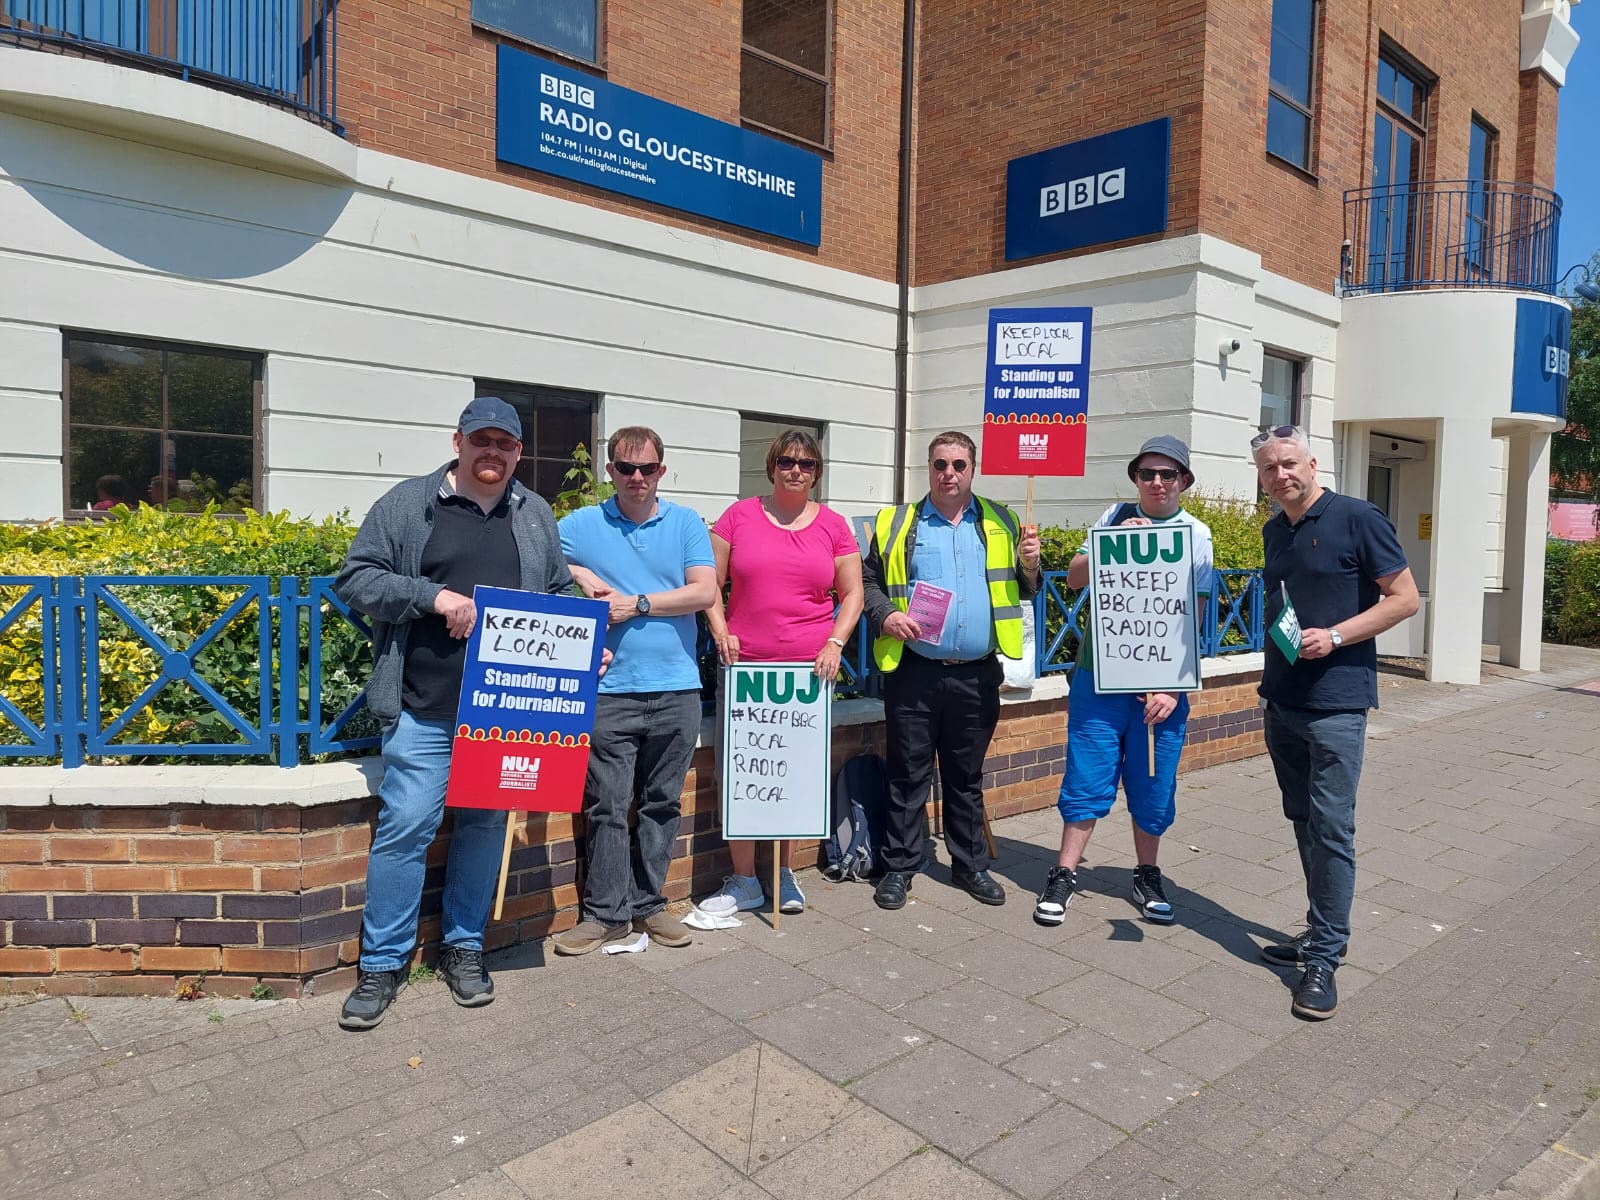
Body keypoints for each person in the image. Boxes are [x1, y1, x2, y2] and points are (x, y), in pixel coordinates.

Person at [333, 397, 577, 1030]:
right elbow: (356, 579)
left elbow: (556, 592)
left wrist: (585, 642)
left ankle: (464, 949)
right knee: (406, 829)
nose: (491, 452)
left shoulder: (535, 513)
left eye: (505, 444)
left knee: (484, 831)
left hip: (507, 712)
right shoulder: (410, 505)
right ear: (459, 442)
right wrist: (432, 596)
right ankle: (382, 966)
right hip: (424, 706)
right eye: (481, 440)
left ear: (519, 452)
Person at [1252, 425, 1419, 1020]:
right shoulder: (1275, 529)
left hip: (1337, 706)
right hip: (1283, 702)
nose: (1281, 476)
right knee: (1303, 822)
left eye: (1290, 464)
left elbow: (1405, 598)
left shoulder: (1357, 517)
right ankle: (1318, 930)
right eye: (1270, 468)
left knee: (1332, 830)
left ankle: (1324, 956)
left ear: (1313, 463)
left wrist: (1340, 634)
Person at [1034, 436, 1214, 928]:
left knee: (1153, 785)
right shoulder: (1113, 517)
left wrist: (1173, 687)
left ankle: (1147, 872)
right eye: (1148, 474)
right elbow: (1072, 578)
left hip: (1160, 685)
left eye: (1168, 474)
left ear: (1184, 483)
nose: (1158, 482)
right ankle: (1065, 872)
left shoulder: (1196, 535)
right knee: (1086, 778)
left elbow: (1194, 618)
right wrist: (1110, 547)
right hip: (1101, 677)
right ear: (1136, 479)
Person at [552, 427, 718, 955]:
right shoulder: (581, 524)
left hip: (677, 689)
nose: (637, 479)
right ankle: (604, 914)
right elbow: (537, 557)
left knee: (662, 803)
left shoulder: (686, 522)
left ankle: (649, 906)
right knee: (606, 804)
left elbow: (704, 591)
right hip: (608, 689)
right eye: (626, 469)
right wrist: (577, 573)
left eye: (647, 469)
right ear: (610, 471)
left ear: (661, 471)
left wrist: (637, 604)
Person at [861, 432, 1041, 910]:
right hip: (915, 670)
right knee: (908, 775)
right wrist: (886, 615)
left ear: (973, 469)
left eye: (959, 464)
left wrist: (1032, 566)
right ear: (929, 467)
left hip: (977, 673)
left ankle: (970, 866)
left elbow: (1025, 590)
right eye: (940, 464)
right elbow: (868, 581)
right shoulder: (898, 521)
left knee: (966, 776)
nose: (949, 474)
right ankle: (899, 867)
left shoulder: (1000, 519)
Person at [700, 430, 864, 915]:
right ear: (772, 467)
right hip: (745, 666)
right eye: (788, 462)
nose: (797, 470)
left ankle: (783, 873)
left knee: (794, 773)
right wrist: (720, 628)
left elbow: (852, 593)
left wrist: (835, 642)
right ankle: (745, 879)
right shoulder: (738, 517)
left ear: (817, 472)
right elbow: (709, 583)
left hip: (808, 672)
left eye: (808, 464)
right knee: (745, 771)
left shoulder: (833, 526)